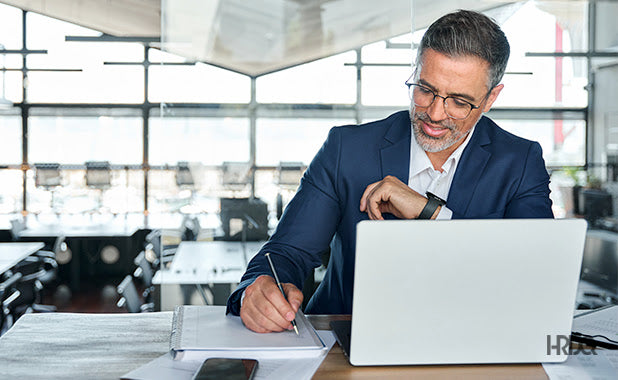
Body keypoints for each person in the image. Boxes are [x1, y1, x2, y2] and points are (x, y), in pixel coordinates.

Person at [227, 9, 554, 333]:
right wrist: (257, 290)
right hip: (343, 342)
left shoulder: (520, 162)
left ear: (491, 97)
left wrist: (430, 213)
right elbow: (287, 251)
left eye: (458, 101)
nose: (435, 114)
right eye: (425, 89)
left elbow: (534, 276)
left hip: (469, 340)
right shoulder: (347, 150)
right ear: (415, 71)